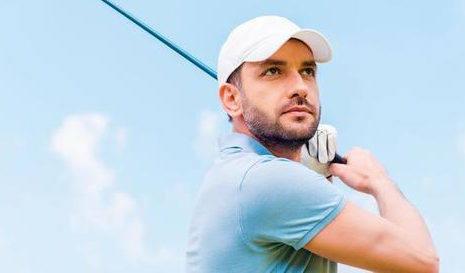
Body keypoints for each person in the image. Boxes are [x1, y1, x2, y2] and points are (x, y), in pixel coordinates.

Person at [186, 16, 439, 272]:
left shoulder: (238, 174)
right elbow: (423, 262)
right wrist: (379, 182)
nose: (300, 87)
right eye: (273, 71)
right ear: (231, 98)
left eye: (307, 71)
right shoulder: (266, 181)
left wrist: (314, 172)